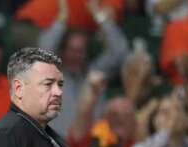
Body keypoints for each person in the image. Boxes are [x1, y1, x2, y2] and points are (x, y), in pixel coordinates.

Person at [37, 0, 128, 137]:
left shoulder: (95, 72)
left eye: (80, 51)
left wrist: (99, 15)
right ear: (62, 51)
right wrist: (61, 20)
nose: (75, 55)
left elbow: (120, 51)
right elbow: (42, 50)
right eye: (71, 50)